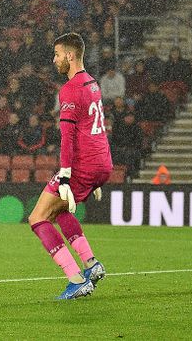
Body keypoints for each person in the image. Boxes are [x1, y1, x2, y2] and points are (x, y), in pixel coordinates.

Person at [28, 33, 112, 300]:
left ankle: (76, 279)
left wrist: (65, 176)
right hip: (101, 162)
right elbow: (96, 129)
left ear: (70, 55)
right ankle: (91, 264)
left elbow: (69, 136)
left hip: (81, 165)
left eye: (57, 54)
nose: (54, 60)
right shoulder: (93, 84)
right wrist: (98, 176)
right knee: (61, 212)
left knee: (38, 218)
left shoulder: (70, 88)